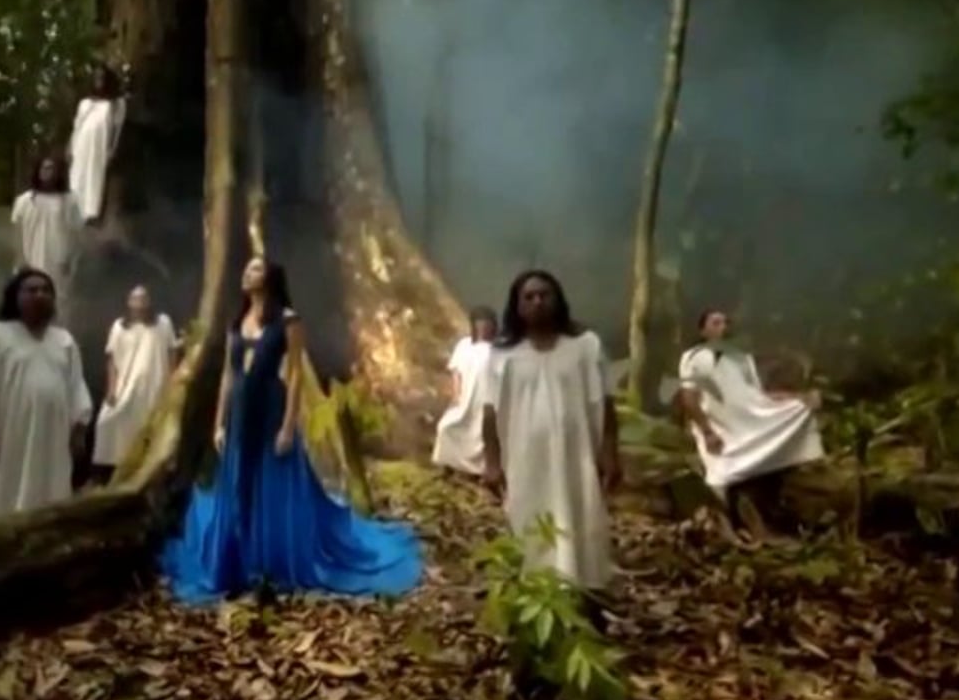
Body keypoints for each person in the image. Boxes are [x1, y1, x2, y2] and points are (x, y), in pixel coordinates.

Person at [160, 258, 424, 604]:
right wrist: (218, 423)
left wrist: (288, 427)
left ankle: (271, 563)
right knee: (239, 482)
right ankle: (237, 560)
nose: (247, 273)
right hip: (239, 412)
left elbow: (296, 374)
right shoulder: (236, 321)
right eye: (247, 268)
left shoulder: (288, 320)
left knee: (274, 481)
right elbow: (228, 374)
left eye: (255, 269)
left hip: (271, 408)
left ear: (270, 277)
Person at [481, 270, 621, 593]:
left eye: (544, 295)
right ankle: (536, 593)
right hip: (525, 459)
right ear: (517, 306)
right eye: (528, 297)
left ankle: (582, 591)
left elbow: (605, 402)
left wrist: (610, 452)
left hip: (577, 455)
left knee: (581, 516)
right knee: (529, 519)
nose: (537, 302)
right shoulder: (502, 355)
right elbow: (490, 411)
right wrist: (491, 462)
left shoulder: (585, 347)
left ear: (558, 299)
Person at [0, 268, 92, 524]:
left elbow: (77, 389)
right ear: (15, 296)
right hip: (7, 435)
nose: (40, 295)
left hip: (52, 438)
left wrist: (78, 434)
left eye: (46, 291)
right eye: (31, 290)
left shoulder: (64, 340)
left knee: (50, 495)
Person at [676, 308, 823, 505]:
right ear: (703, 331)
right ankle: (722, 512)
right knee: (721, 475)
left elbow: (758, 395)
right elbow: (689, 398)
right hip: (720, 427)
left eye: (726, 323)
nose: (723, 327)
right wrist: (707, 432)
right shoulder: (693, 358)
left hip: (750, 420)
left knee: (801, 408)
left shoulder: (741, 358)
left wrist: (799, 398)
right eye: (716, 323)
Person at [91, 285, 177, 478]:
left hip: (155, 386)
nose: (140, 303)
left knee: (152, 429)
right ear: (129, 303)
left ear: (150, 302)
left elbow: (172, 351)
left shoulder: (163, 323)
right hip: (127, 386)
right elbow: (112, 360)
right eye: (136, 299)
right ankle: (112, 472)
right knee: (107, 422)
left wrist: (172, 381)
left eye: (143, 299)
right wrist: (112, 389)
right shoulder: (119, 327)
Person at [430, 305, 500, 478]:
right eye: (480, 323)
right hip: (466, 395)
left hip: (486, 397)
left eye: (487, 324)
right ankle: (448, 465)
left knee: (481, 435)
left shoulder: (498, 349)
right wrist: (456, 393)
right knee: (446, 427)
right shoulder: (464, 345)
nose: (483, 327)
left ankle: (479, 472)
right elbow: (456, 371)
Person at [11, 156, 82, 312]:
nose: (47, 172)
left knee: (57, 304)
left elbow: (75, 234)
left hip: (57, 264)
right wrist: (21, 260)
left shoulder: (70, 201)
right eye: (44, 168)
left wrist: (70, 260)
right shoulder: (24, 201)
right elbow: (17, 232)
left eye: (51, 168)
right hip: (30, 262)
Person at [68, 65, 126, 225]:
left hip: (99, 145)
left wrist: (113, 148)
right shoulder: (85, 102)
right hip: (81, 143)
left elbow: (117, 128)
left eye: (101, 77)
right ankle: (74, 209)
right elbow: (77, 126)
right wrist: (70, 145)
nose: (98, 80)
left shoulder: (116, 103)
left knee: (94, 176)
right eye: (96, 77)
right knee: (77, 174)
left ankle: (90, 212)